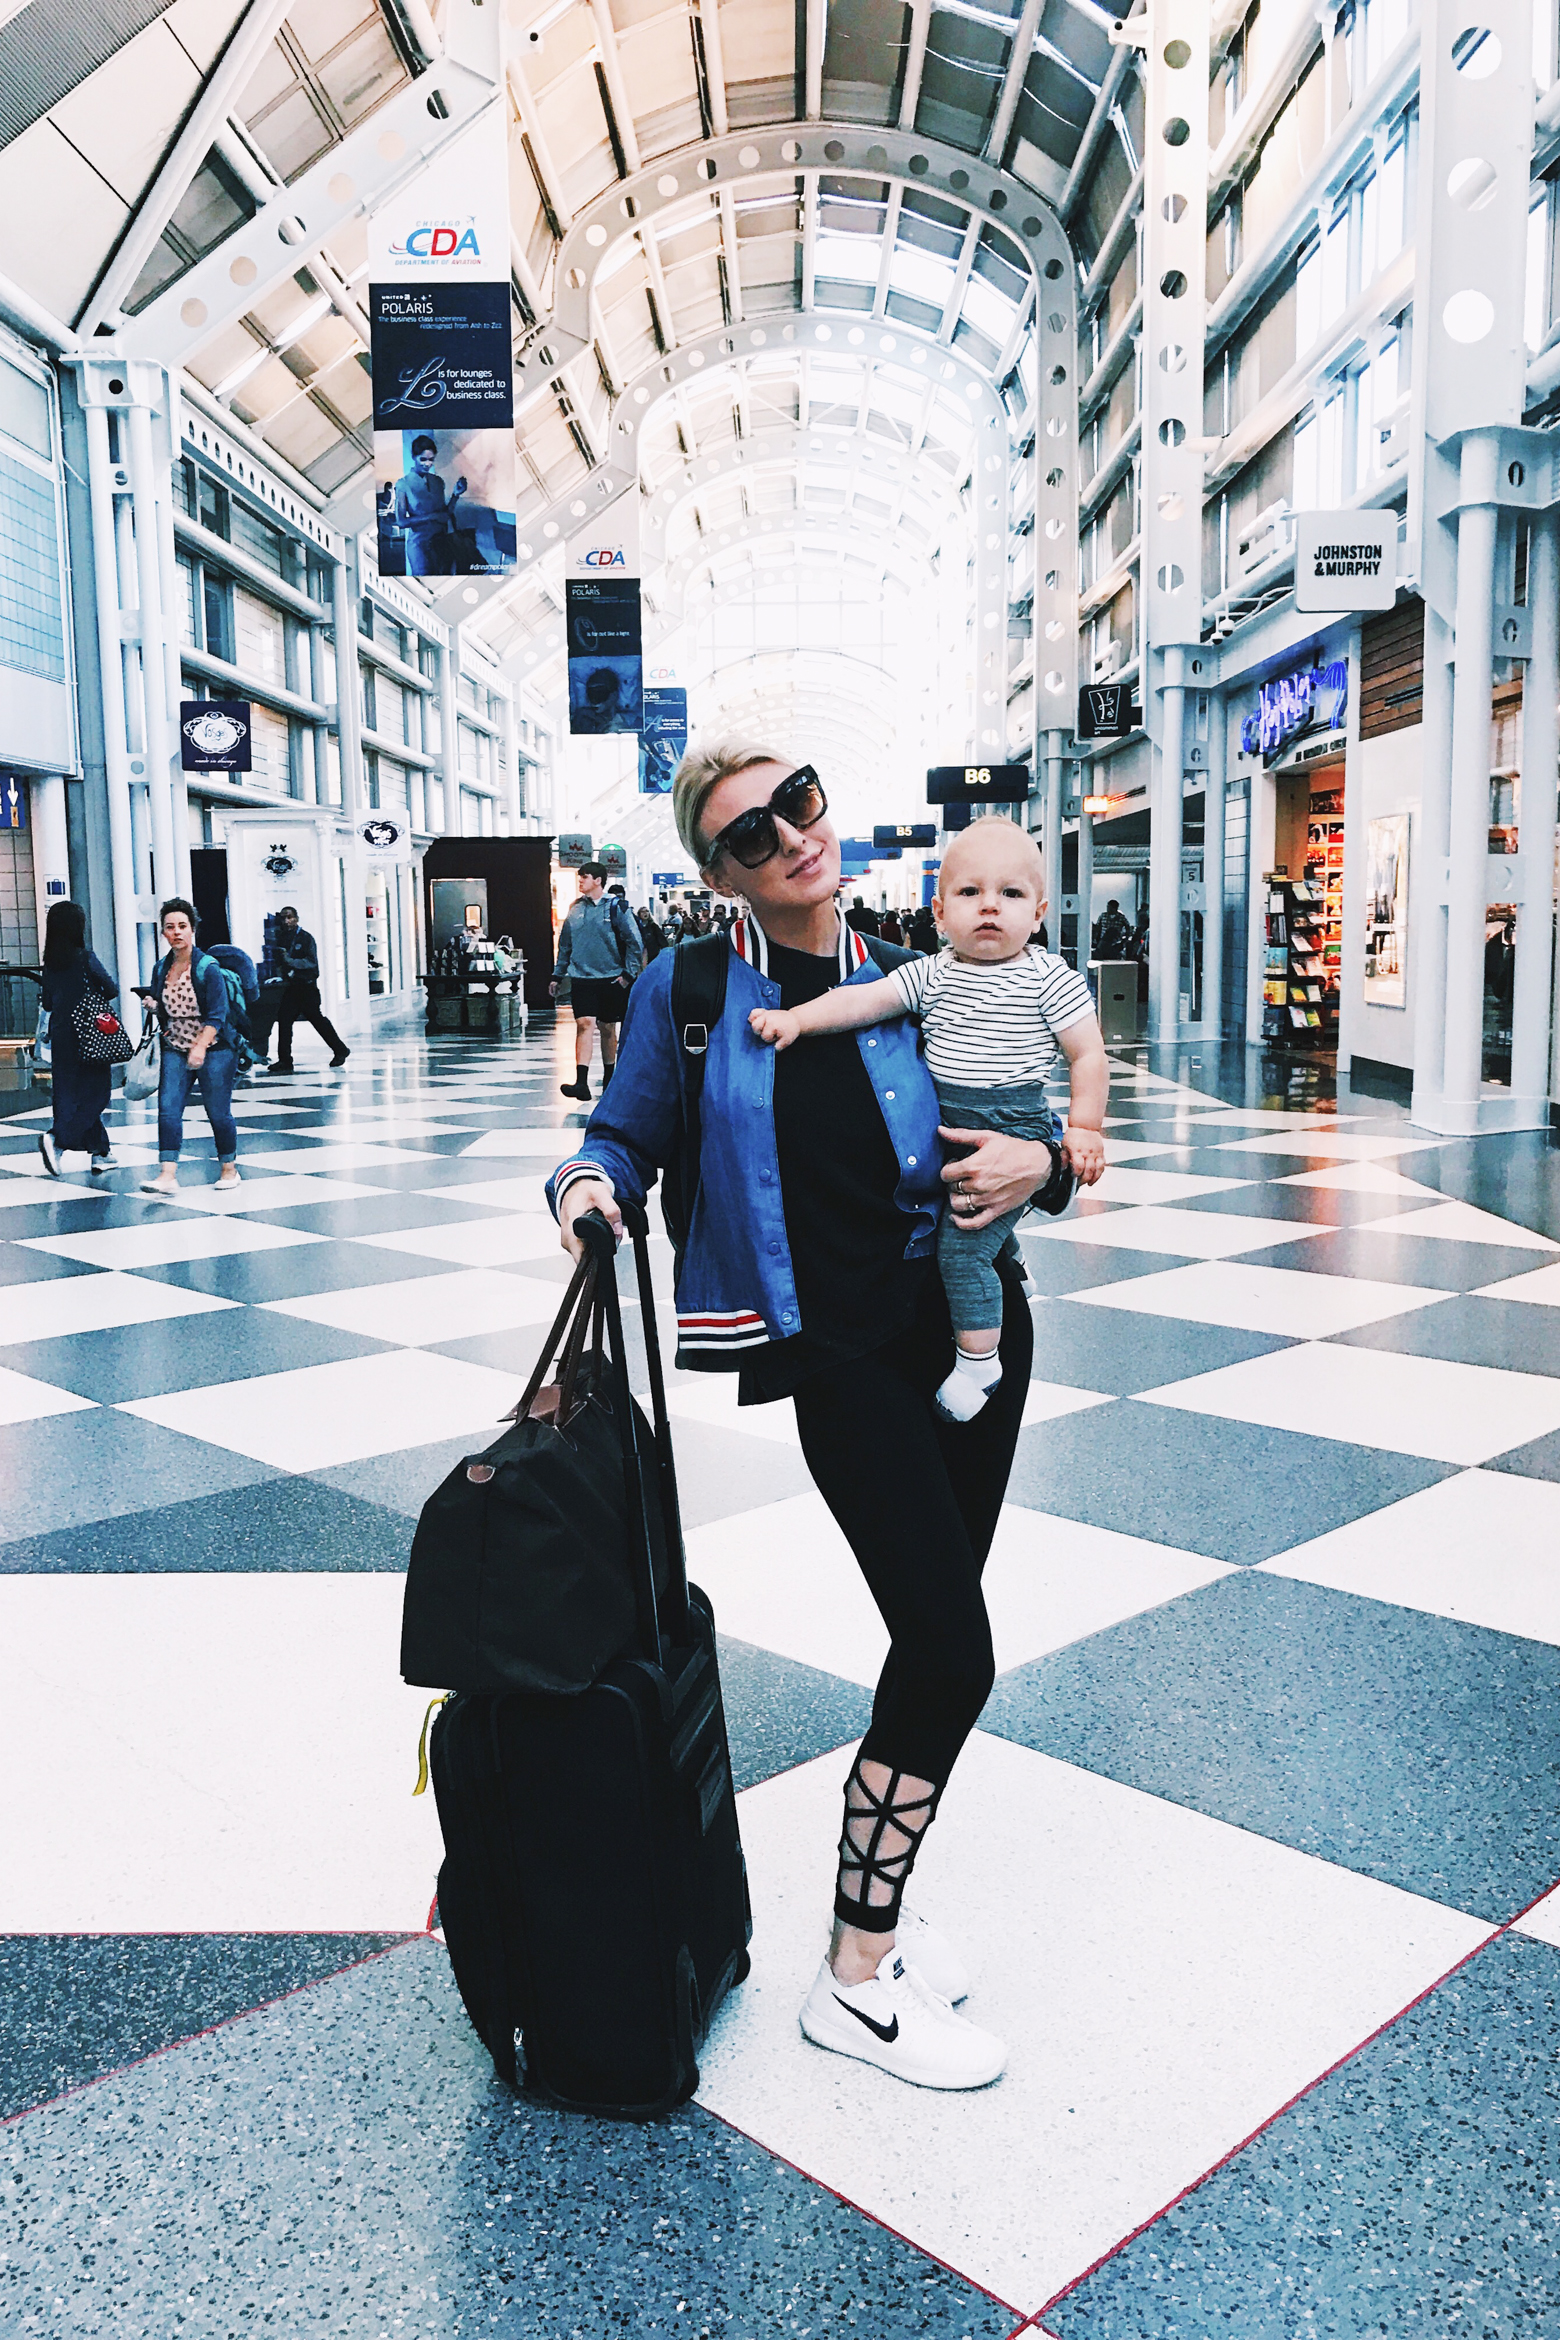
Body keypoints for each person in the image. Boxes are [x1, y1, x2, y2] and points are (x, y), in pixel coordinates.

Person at [548, 742, 1068, 2092]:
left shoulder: (921, 967)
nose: (790, 836)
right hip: (833, 1359)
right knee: (954, 1652)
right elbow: (620, 1134)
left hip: (974, 1332)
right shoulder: (697, 992)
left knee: (929, 1640)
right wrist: (586, 1192)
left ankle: (877, 1927)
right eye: (748, 834)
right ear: (716, 871)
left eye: (802, 800)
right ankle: (852, 1978)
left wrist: (1049, 1161)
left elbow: (1040, 1117)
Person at [751, 817, 1108, 1423]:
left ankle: (979, 1363)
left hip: (1012, 1125)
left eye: (1011, 895)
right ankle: (1003, 1263)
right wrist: (798, 1021)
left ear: (1040, 911)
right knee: (961, 1224)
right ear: (939, 912)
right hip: (941, 1125)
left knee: (962, 1253)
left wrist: (1084, 1129)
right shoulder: (932, 972)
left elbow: (1088, 1054)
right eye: (970, 893)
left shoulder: (1051, 979)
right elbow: (862, 1001)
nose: (990, 907)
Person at [135, 898, 242, 1197]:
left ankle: (229, 1169)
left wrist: (201, 1046)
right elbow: (168, 1007)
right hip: (174, 1046)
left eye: (182, 926)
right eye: (170, 927)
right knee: (168, 1110)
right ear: (163, 933)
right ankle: (167, 1174)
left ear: (192, 929)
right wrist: (155, 1006)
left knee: (217, 1112)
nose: (176, 932)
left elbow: (218, 1014)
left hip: (215, 1048)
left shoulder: (208, 968)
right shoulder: (162, 968)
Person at [37, 901, 120, 1177]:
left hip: (62, 1035)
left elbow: (48, 1002)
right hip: (89, 1034)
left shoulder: (49, 963)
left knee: (70, 1094)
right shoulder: (84, 957)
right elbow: (110, 989)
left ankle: (101, 1152)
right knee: (97, 1093)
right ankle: (58, 1139)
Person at [550, 860, 644, 1100]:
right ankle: (581, 1082)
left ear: (598, 880)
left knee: (607, 1028)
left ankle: (609, 1076)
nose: (580, 880)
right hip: (582, 978)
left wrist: (627, 975)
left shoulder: (617, 908)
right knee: (584, 1024)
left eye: (585, 877)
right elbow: (565, 945)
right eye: (580, 877)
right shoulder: (574, 908)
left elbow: (635, 943)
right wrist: (558, 974)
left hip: (611, 979)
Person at [268, 907, 349, 1073]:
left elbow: (311, 962)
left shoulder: (305, 938)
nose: (286, 921)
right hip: (291, 987)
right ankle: (285, 1059)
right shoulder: (281, 937)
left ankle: (340, 1049)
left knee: (317, 1020)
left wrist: (290, 961)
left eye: (289, 917)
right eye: (283, 918)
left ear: (297, 918)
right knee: (284, 1020)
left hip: (306, 986)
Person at [393, 437, 466, 578]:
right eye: (423, 459)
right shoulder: (403, 484)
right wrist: (431, 517)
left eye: (431, 460)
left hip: (442, 542)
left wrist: (456, 494)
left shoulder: (438, 482)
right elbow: (401, 522)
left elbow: (445, 515)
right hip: (419, 546)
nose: (428, 464)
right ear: (414, 457)